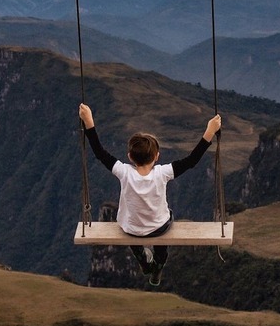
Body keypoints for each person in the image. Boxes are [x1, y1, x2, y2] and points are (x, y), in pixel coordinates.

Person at [78, 103, 221, 286]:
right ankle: (158, 265)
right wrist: (210, 131)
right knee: (166, 223)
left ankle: (144, 262)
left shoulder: (123, 171)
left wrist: (88, 121)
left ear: (130, 156)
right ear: (157, 156)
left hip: (130, 229)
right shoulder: (163, 173)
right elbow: (192, 160)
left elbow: (99, 152)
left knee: (130, 229)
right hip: (158, 227)